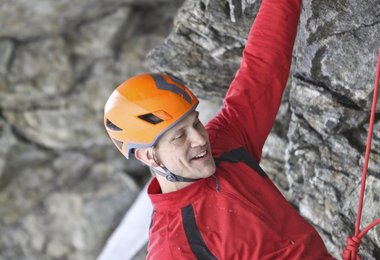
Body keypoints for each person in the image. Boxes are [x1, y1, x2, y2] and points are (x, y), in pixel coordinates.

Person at [104, 0, 335, 258]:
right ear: (147, 155)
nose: (200, 139)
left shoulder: (225, 142)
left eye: (195, 123)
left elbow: (262, 68)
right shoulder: (173, 248)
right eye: (179, 136)